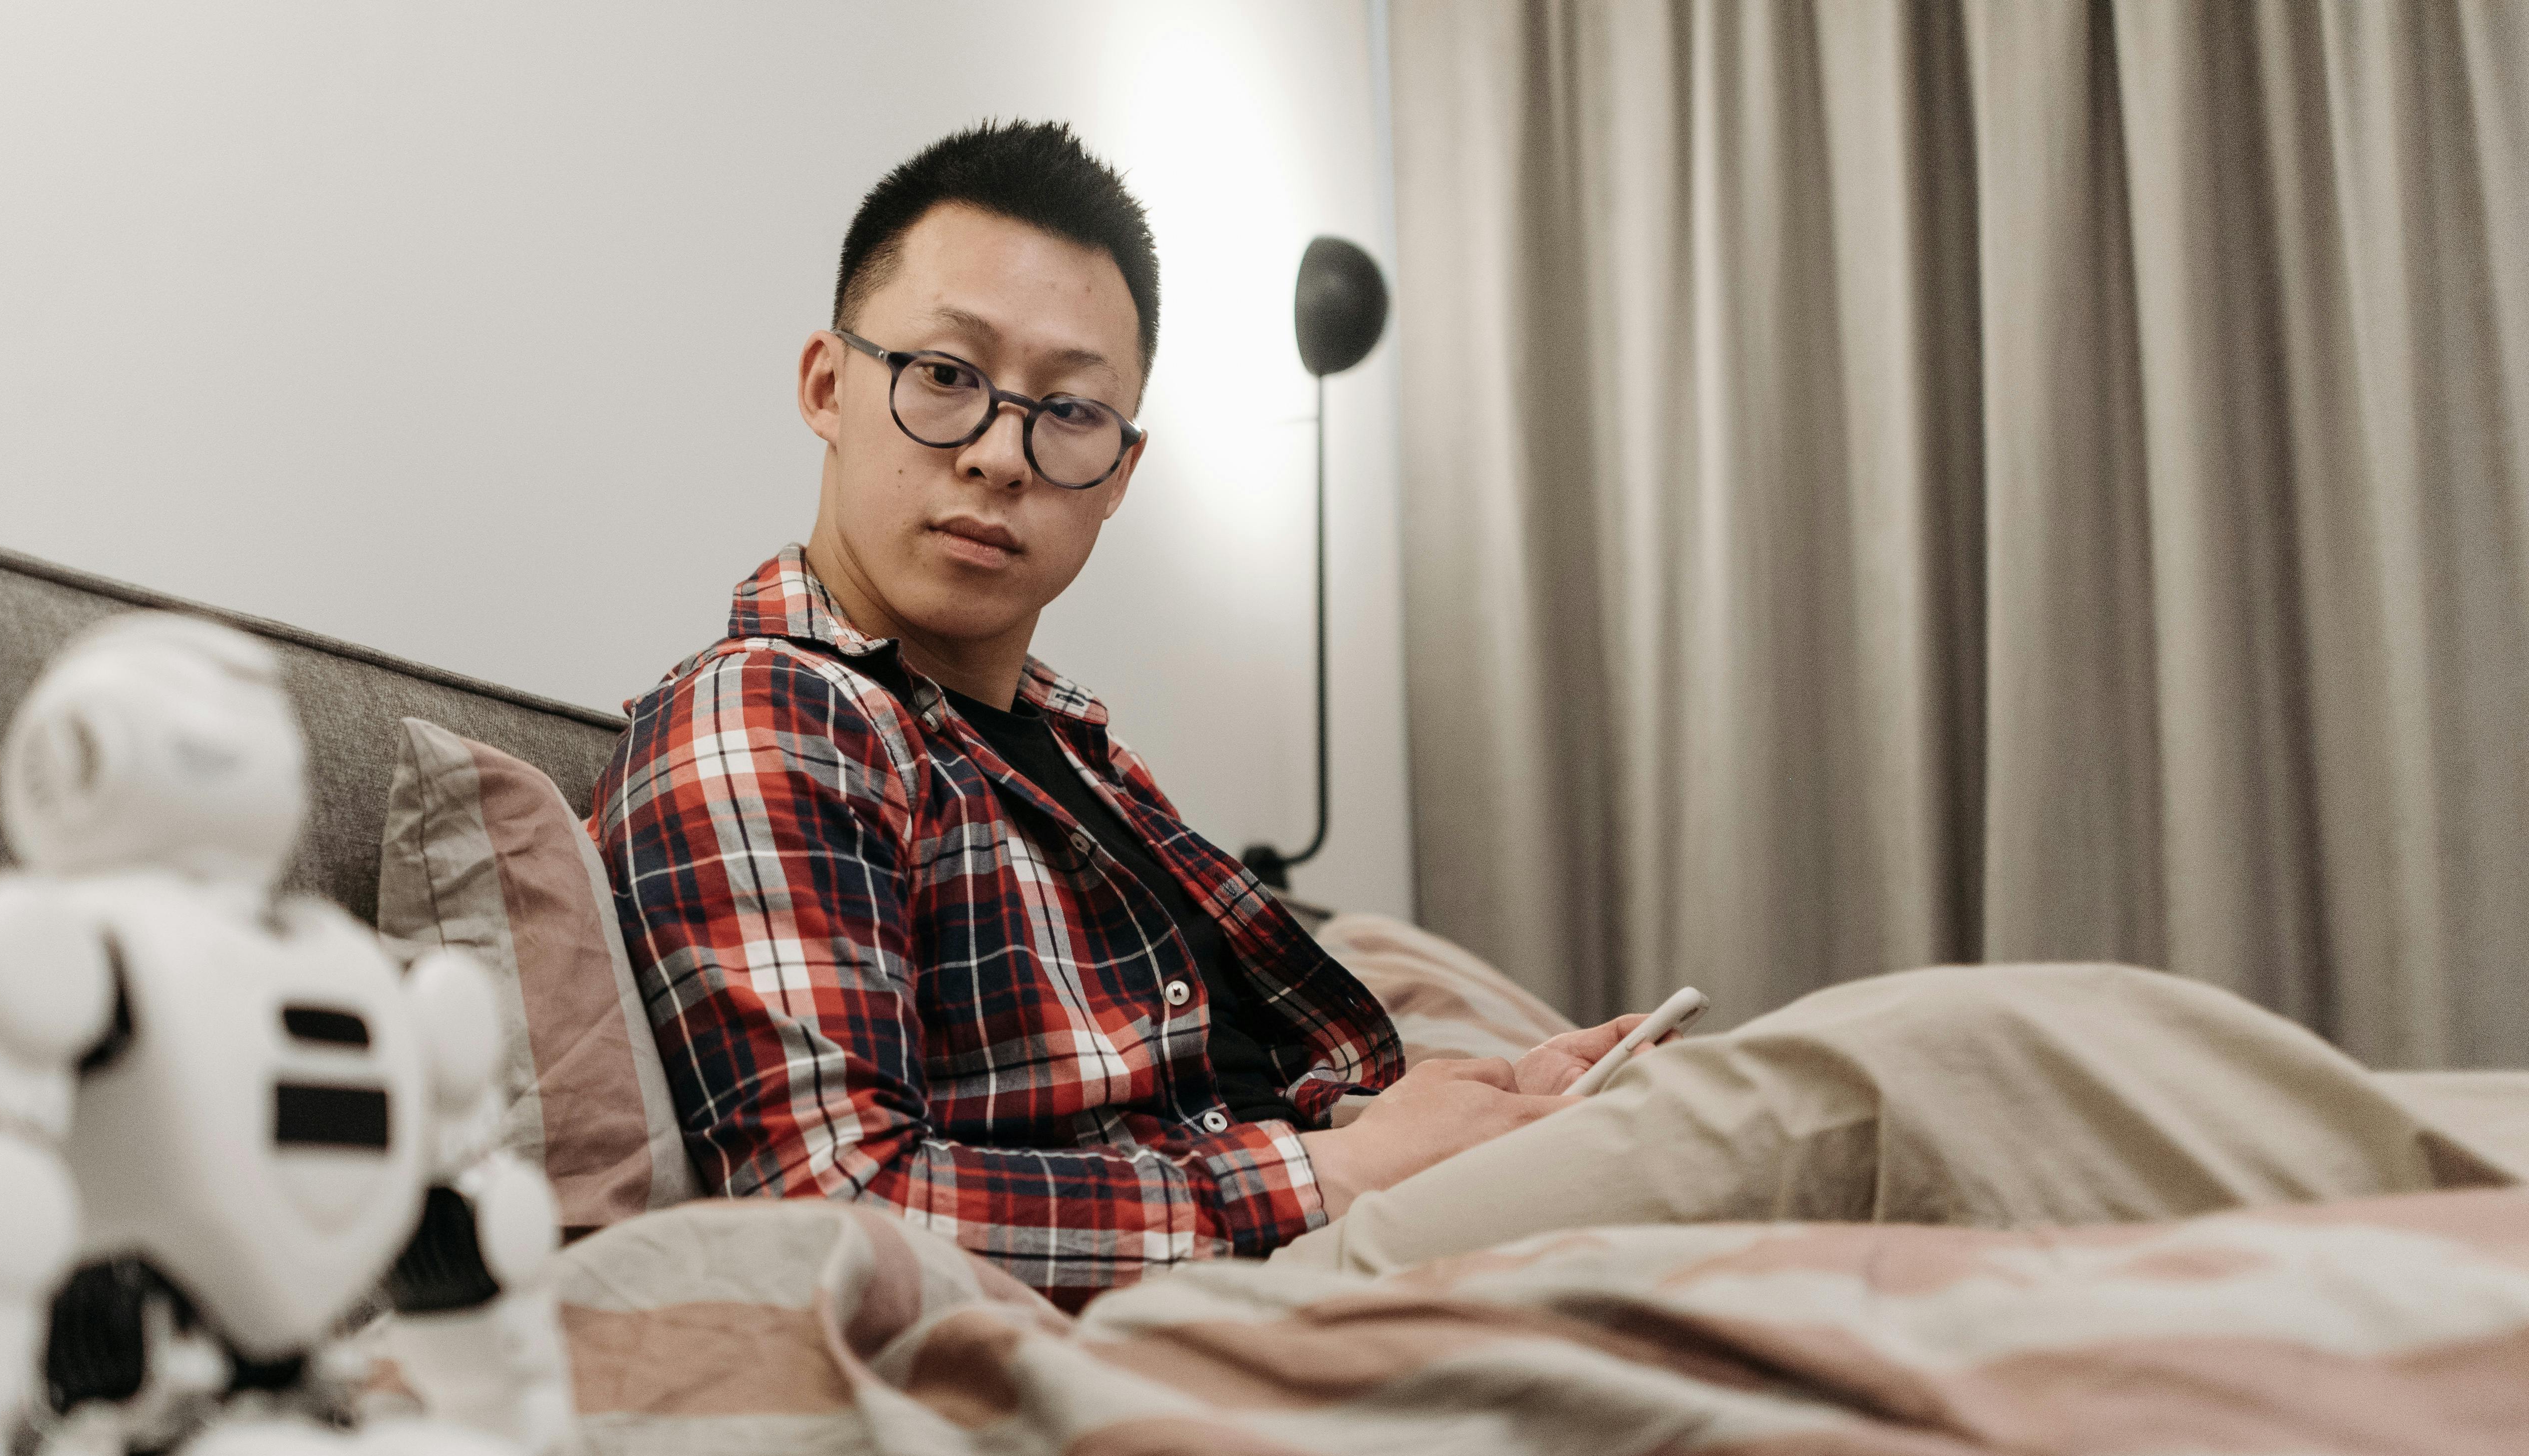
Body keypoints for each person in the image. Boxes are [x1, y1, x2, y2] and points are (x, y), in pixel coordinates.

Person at [589, 121, 2512, 1306]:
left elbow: (1225, 1075)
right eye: (946, 378)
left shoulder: (1058, 741)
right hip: (1185, 1307)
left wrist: (1463, 1100)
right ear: (829, 384)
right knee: (1903, 1073)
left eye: (1068, 410)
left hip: (1273, 1228)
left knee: (1834, 1094)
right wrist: (1335, 1169)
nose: (1001, 455)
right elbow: (827, 1216)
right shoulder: (775, 716)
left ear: (1124, 463)